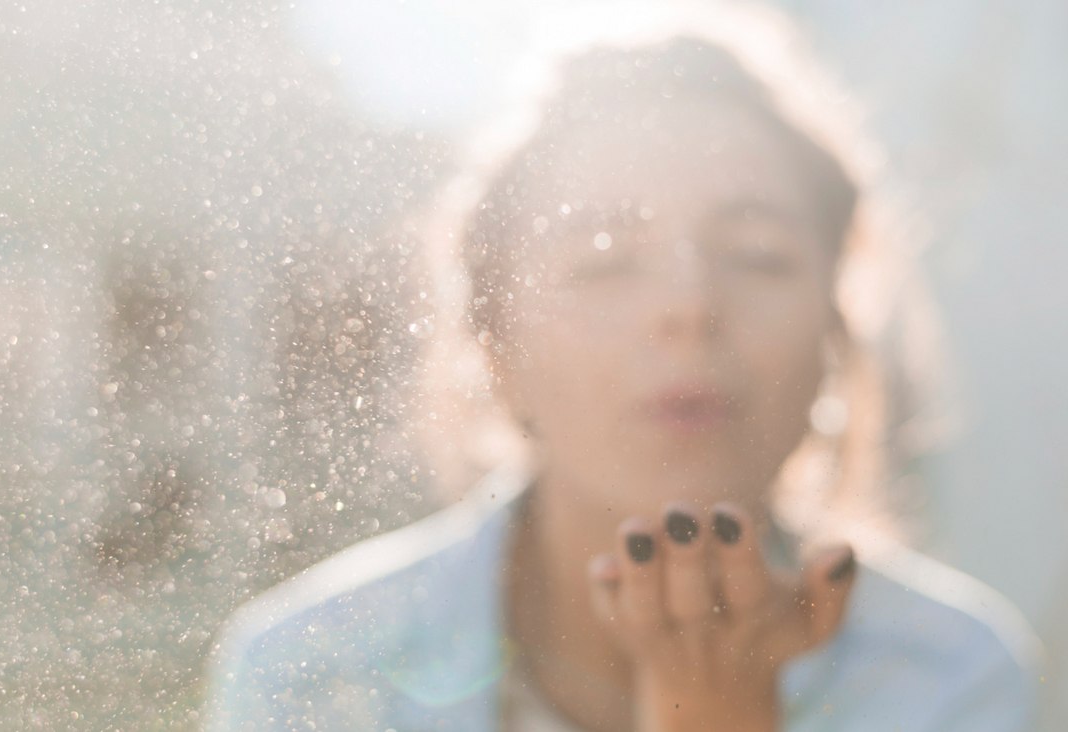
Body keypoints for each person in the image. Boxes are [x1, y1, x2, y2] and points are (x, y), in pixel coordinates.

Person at [206, 5, 1042, 731]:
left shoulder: (951, 677)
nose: (690, 306)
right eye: (604, 262)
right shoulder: (314, 672)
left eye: (757, 255)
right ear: (496, 342)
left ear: (834, 327)